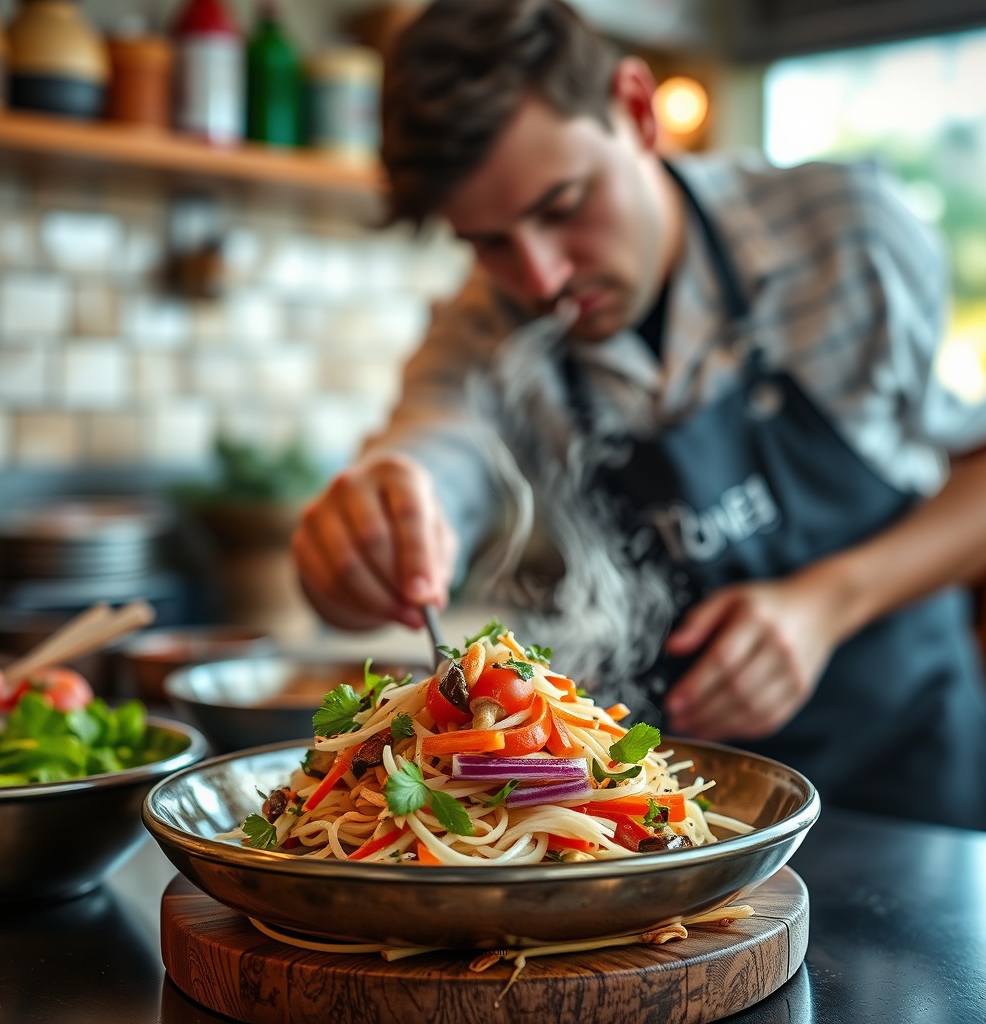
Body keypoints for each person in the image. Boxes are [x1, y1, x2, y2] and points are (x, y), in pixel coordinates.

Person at [291, 0, 986, 829]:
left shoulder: (848, 236)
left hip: (906, 778)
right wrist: (369, 528)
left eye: (563, 205)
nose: (543, 276)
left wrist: (829, 599)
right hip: (666, 817)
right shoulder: (483, 330)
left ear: (637, 109)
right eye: (489, 242)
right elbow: (426, 454)